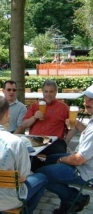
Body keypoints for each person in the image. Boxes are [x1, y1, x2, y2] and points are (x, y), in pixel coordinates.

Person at [36, 85, 93, 213]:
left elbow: (78, 160)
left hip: (85, 171)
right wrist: (78, 125)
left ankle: (72, 198)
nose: (86, 102)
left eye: (91, 100)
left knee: (42, 174)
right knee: (50, 159)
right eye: (86, 98)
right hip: (85, 164)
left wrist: (62, 160)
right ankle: (70, 200)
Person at [23, 80, 75, 170]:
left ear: (56, 92)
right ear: (42, 92)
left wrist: (66, 141)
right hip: (35, 140)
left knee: (55, 156)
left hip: (54, 142)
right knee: (27, 157)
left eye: (51, 91)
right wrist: (34, 117)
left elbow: (72, 127)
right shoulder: (35, 106)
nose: (48, 94)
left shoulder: (63, 108)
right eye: (46, 91)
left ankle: (50, 176)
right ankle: (36, 177)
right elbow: (24, 125)